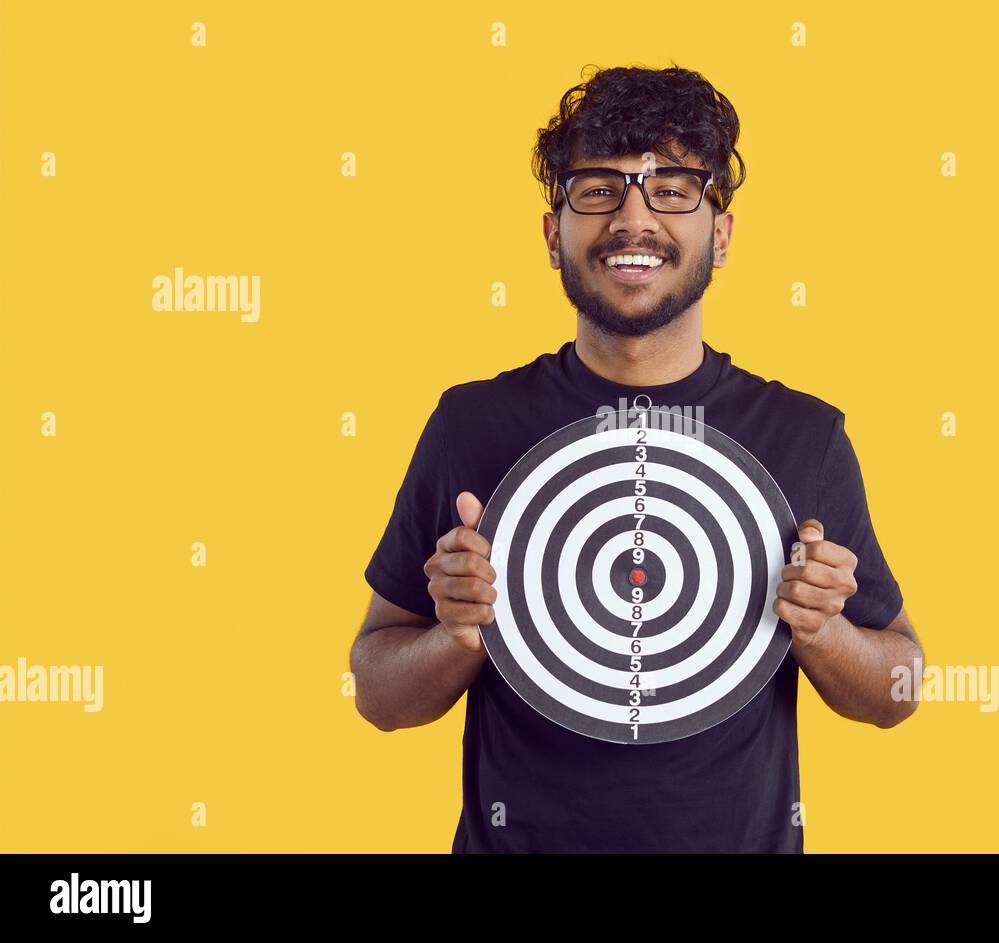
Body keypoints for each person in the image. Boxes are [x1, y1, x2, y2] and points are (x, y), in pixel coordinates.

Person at [351, 64, 923, 853]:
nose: (633, 218)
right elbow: (377, 692)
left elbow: (900, 688)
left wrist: (826, 633)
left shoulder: (804, 434)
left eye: (672, 188)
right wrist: (453, 635)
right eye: (598, 189)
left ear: (719, 234)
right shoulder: (470, 423)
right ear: (554, 234)